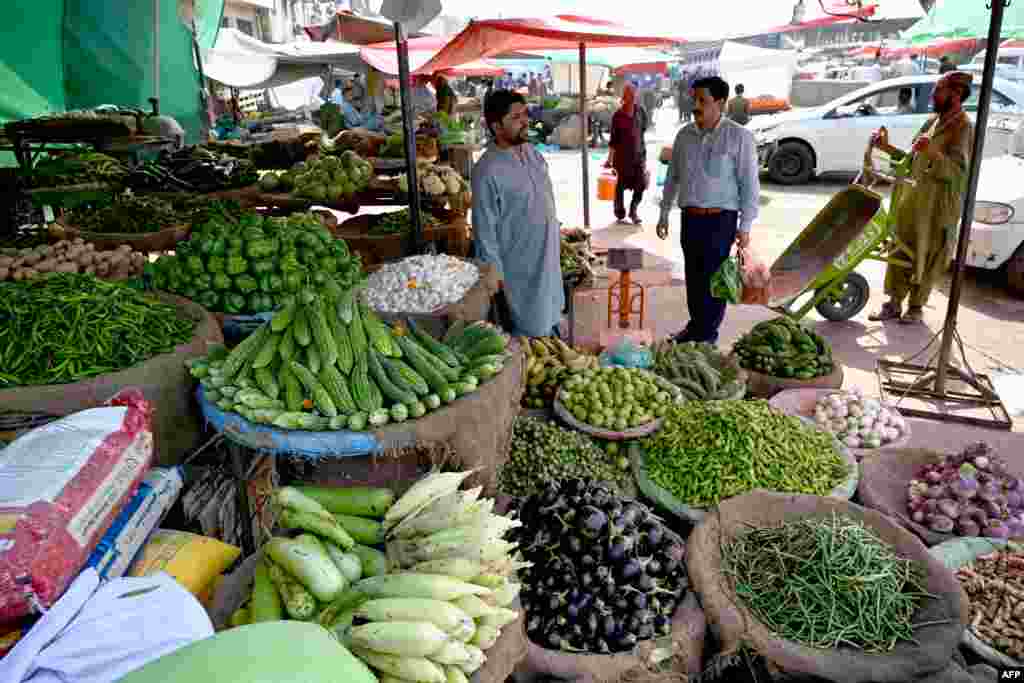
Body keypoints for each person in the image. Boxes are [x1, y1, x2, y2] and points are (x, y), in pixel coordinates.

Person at [656, 76, 760, 345]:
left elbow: (749, 185)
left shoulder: (739, 137)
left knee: (714, 281)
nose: (696, 106)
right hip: (690, 219)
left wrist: (745, 227)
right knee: (694, 278)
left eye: (703, 101)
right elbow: (673, 177)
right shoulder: (684, 136)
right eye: (695, 100)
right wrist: (664, 213)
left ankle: (707, 336)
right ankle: (696, 328)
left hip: (721, 221)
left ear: (721, 103)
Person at [868, 71, 975, 325]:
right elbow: (912, 157)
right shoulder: (931, 121)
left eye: (939, 90)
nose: (933, 95)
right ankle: (894, 302)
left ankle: (916, 307)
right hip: (913, 199)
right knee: (900, 247)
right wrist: (885, 147)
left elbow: (958, 173)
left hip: (937, 205)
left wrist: (933, 151)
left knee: (928, 253)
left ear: (956, 94)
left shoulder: (963, 126)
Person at [472, 90, 564, 338]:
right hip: (520, 266)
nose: (525, 121)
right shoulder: (487, 170)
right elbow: (484, 230)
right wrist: (494, 274)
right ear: (496, 127)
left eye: (524, 114)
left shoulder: (532, 152)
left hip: (548, 256)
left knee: (551, 315)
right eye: (515, 117)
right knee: (530, 330)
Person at [606, 83, 650, 225]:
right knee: (620, 186)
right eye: (628, 95)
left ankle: (633, 210)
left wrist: (643, 156)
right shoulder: (618, 116)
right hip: (622, 159)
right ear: (624, 97)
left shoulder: (641, 111)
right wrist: (609, 159)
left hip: (638, 156)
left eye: (633, 94)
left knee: (641, 184)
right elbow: (613, 140)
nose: (631, 97)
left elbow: (643, 130)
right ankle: (619, 211)